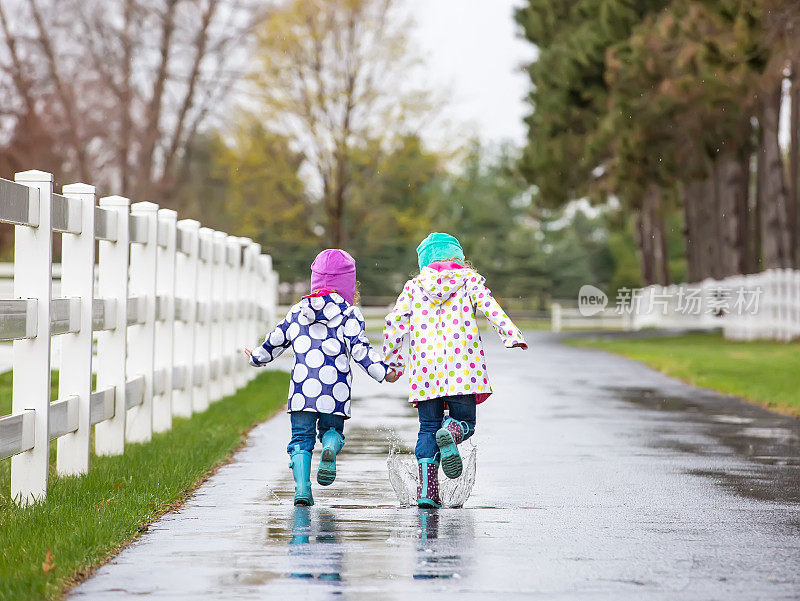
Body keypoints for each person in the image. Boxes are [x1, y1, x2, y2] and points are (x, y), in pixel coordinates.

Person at [382, 233, 527, 508]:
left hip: (426, 372)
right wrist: (511, 335)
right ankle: (453, 430)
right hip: (463, 368)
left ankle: (427, 491)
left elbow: (394, 323)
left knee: (427, 428)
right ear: (458, 257)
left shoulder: (413, 287)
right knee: (466, 423)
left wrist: (393, 362)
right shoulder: (469, 279)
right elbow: (490, 307)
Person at [246, 249, 399, 506]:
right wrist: (385, 373)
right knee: (331, 430)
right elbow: (361, 351)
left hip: (303, 391)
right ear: (348, 284)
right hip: (334, 390)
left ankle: (303, 490)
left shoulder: (298, 311)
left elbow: (276, 340)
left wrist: (257, 357)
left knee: (300, 440)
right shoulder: (350, 314)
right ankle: (329, 445)